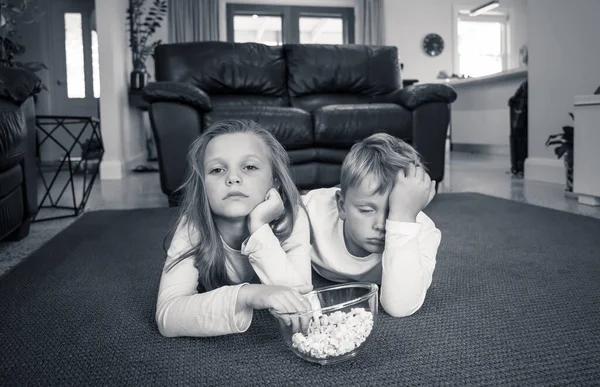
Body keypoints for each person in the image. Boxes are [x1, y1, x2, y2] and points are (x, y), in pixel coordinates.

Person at [156, 120, 313, 337]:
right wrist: (247, 295)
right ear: (203, 186)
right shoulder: (193, 224)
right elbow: (167, 316)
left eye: (249, 167)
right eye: (217, 169)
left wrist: (259, 227)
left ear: (275, 180)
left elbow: (300, 301)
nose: (233, 178)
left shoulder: (292, 216)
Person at [302, 133, 441, 317]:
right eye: (367, 210)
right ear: (342, 206)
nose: (381, 226)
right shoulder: (312, 212)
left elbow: (400, 306)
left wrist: (402, 219)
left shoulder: (423, 231)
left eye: (393, 211)